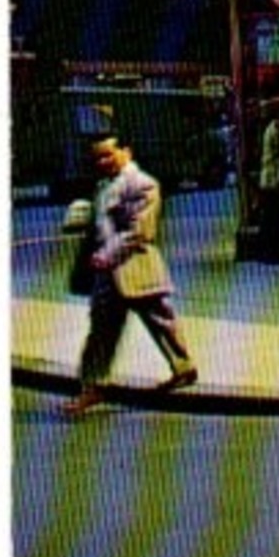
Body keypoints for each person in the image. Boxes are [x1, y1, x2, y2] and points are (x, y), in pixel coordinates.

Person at [63, 132, 198, 416]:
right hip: (106, 273)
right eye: (97, 157)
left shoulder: (144, 184)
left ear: (127, 151)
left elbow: (140, 231)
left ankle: (183, 367)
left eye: (108, 155)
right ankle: (92, 387)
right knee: (100, 332)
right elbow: (96, 227)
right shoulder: (103, 186)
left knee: (161, 320)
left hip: (135, 267)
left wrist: (106, 254)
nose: (102, 161)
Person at [257, 106, 279, 262]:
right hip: (273, 180)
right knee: (272, 216)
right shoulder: (275, 131)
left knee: (271, 216)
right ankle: (269, 251)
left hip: (272, 179)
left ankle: (269, 250)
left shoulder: (272, 129)